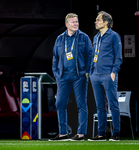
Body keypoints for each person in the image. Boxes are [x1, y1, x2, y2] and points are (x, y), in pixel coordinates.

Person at [49, 13, 92, 141]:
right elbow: (55, 57)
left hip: (79, 75)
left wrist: (87, 72)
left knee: (81, 104)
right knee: (60, 104)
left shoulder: (84, 37)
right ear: (66, 24)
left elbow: (90, 55)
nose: (76, 24)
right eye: (73, 22)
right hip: (63, 76)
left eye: (77, 22)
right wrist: (56, 73)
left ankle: (81, 134)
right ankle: (63, 133)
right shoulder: (60, 39)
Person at [88, 11, 122, 141]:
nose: (95, 22)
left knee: (113, 104)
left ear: (106, 22)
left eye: (98, 20)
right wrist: (91, 72)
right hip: (95, 75)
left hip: (108, 74)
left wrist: (114, 72)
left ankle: (116, 134)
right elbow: (93, 56)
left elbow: (118, 57)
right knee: (100, 105)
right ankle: (101, 134)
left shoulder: (114, 36)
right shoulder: (96, 37)